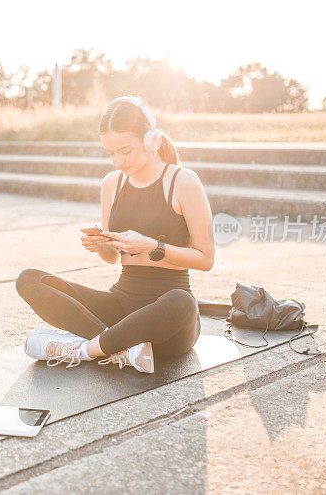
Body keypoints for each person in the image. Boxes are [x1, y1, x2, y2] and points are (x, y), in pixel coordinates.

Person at [15, 96, 215, 373]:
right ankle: (121, 348)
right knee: (30, 280)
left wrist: (153, 246)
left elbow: (205, 259)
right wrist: (100, 245)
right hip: (120, 306)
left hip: (167, 317)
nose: (118, 161)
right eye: (110, 153)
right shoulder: (112, 183)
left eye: (125, 151)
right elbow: (111, 258)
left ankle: (85, 350)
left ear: (150, 141)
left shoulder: (182, 181)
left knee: (183, 302)